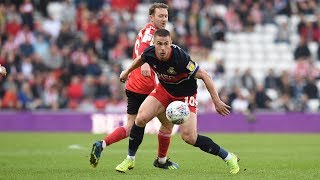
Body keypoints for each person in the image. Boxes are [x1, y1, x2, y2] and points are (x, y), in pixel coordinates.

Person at [117, 29, 240, 174]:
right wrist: (127, 72)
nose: (162, 48)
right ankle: (130, 159)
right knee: (141, 117)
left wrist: (216, 101)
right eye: (159, 44)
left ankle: (228, 156)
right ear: (154, 44)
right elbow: (141, 59)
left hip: (185, 95)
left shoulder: (180, 58)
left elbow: (205, 75)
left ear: (171, 43)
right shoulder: (150, 53)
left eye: (166, 44)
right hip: (165, 90)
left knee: (189, 137)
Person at [89, 3, 179, 170]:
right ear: (152, 17)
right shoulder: (151, 33)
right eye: (160, 16)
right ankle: (160, 161)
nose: (164, 19)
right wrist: (144, 64)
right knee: (167, 124)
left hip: (133, 84)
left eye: (166, 16)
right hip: (146, 86)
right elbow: (144, 49)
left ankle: (101, 144)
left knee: (130, 126)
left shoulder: (145, 30)